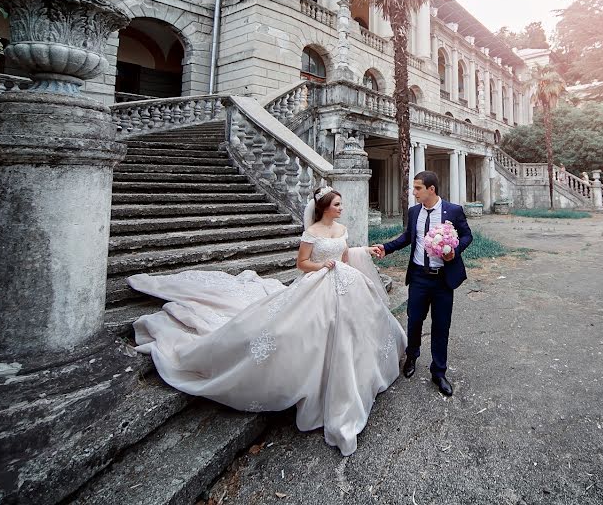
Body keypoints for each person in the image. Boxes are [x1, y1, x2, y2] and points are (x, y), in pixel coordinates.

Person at [129, 186, 406, 456]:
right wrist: (321, 266)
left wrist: (363, 251)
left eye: (341, 205)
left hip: (348, 287)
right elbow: (302, 263)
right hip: (317, 286)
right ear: (324, 208)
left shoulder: (341, 230)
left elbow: (345, 256)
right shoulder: (312, 233)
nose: (341, 208)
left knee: (356, 332)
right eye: (337, 205)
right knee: (304, 332)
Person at [373, 171, 472, 397]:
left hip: (443, 279)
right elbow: (408, 237)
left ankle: (439, 372)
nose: (413, 192)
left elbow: (467, 236)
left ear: (431, 189)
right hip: (419, 276)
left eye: (417, 188)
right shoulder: (414, 211)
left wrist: (454, 251)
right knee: (414, 319)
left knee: (441, 325)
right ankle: (412, 356)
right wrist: (386, 248)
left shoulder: (453, 211)